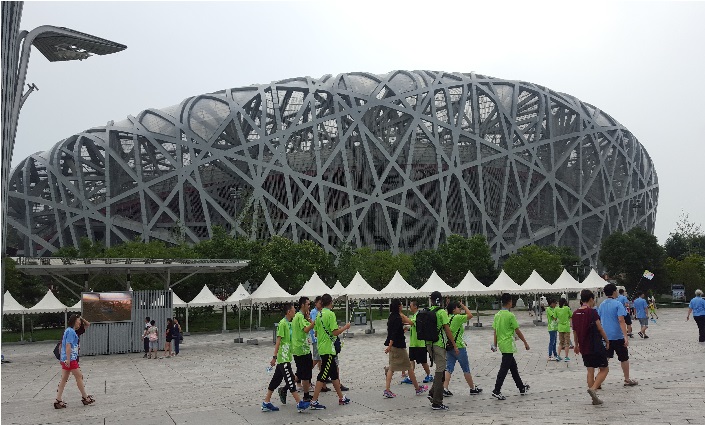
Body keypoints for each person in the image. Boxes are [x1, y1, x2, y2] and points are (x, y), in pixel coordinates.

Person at [261, 303, 310, 413]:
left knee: (276, 380)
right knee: (290, 380)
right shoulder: (282, 324)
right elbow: (278, 341)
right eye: (293, 310)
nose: (295, 311)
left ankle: (266, 402)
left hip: (287, 356)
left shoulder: (290, 323)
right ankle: (299, 402)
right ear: (289, 312)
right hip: (283, 358)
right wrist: (274, 357)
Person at [309, 293, 351, 410]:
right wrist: (345, 327)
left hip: (321, 347)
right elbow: (335, 332)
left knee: (333, 374)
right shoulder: (330, 314)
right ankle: (314, 400)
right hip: (328, 348)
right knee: (323, 374)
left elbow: (316, 333)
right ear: (331, 302)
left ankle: (341, 398)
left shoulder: (318, 315)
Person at [383, 299, 428, 398]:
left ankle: (387, 389)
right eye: (401, 305)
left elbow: (394, 331)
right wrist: (389, 346)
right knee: (408, 367)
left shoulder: (391, 317)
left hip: (393, 346)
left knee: (391, 368)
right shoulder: (398, 318)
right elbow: (394, 333)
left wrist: (390, 345)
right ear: (398, 307)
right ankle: (417, 388)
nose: (402, 306)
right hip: (398, 346)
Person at [572, 289, 610, 405]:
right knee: (604, 369)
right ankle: (593, 389)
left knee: (590, 370)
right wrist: (607, 341)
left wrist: (576, 345)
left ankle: (594, 397)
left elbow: (575, 331)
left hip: (584, 346)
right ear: (591, 299)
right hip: (595, 345)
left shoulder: (575, 313)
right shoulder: (592, 312)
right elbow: (600, 328)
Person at [491, 293, 530, 400]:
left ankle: (521, 388)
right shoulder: (510, 315)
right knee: (504, 369)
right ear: (509, 302)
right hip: (508, 344)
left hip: (502, 344)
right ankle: (496, 390)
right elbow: (517, 330)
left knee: (513, 368)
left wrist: (495, 344)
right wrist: (525, 342)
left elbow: (495, 331)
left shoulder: (497, 315)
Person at [598, 283, 638, 386]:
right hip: (617, 336)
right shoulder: (618, 304)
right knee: (624, 358)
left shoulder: (602, 305)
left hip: (606, 336)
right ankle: (627, 379)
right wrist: (626, 336)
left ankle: (598, 380)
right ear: (614, 291)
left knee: (605, 358)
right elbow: (621, 320)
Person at [54, 314, 95, 409]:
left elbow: (87, 324)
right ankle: (85, 398)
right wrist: (68, 359)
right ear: (74, 321)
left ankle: (58, 400)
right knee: (79, 376)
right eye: (78, 320)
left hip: (65, 359)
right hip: (70, 359)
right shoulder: (71, 332)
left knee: (64, 378)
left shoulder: (68, 330)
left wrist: (65, 359)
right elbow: (68, 345)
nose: (80, 322)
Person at [443, 300, 482, 397]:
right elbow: (470, 315)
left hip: (449, 347)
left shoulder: (448, 318)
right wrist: (464, 306)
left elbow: (453, 332)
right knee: (466, 368)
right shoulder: (457, 318)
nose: (459, 309)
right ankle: (472, 388)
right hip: (459, 347)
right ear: (453, 309)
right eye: (458, 307)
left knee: (449, 368)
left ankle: (445, 388)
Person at [427, 291, 458, 411]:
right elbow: (447, 330)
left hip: (429, 344)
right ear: (440, 300)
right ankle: (437, 402)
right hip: (439, 345)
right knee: (441, 372)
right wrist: (454, 344)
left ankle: (432, 393)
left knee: (439, 370)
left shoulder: (428, 311)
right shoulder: (441, 312)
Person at [290, 296, 315, 403]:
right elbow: (306, 329)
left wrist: (309, 319)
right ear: (302, 305)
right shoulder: (299, 316)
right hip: (301, 349)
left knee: (303, 373)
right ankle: (290, 388)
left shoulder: (301, 316)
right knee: (304, 373)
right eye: (308, 304)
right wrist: (314, 322)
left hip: (302, 348)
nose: (309, 306)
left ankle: (305, 394)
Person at [405, 300, 433, 384]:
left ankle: (429, 375)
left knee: (423, 362)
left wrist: (402, 316)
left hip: (420, 343)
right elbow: (413, 325)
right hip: (413, 343)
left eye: (411, 306)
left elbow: (411, 322)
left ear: (415, 307)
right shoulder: (414, 315)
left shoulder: (419, 315)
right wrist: (408, 328)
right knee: (411, 360)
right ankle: (411, 377)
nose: (409, 307)